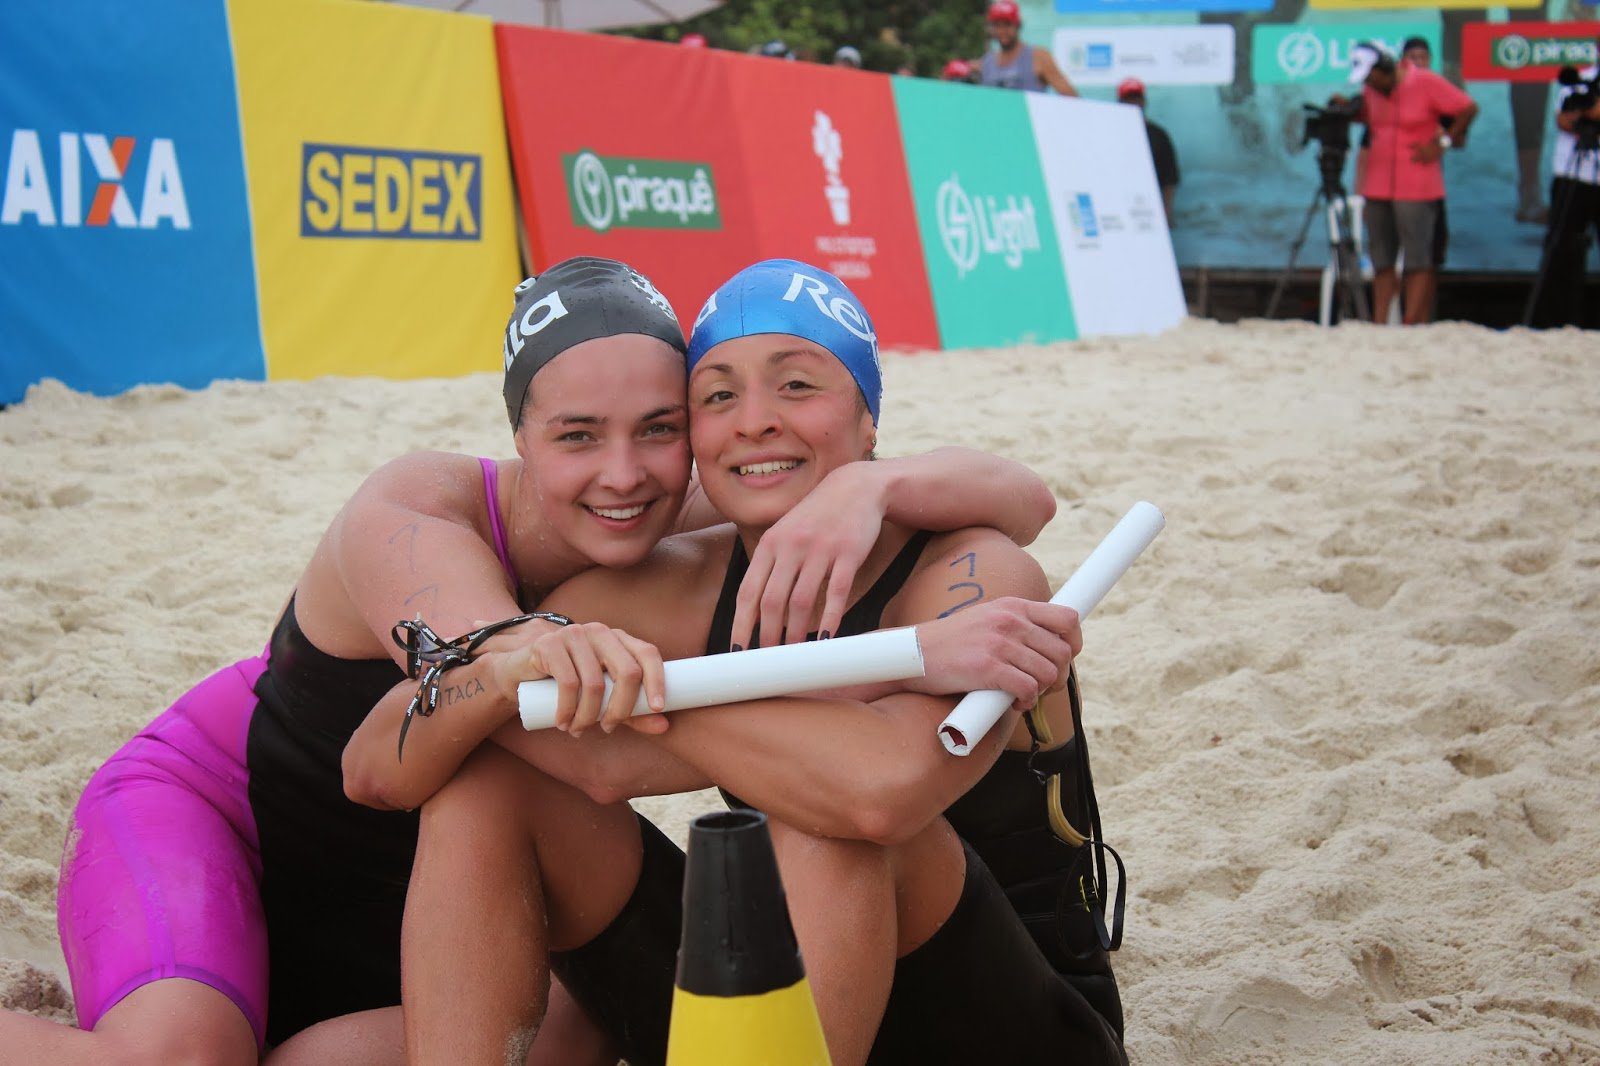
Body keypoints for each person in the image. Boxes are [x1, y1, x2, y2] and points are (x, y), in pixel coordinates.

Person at [1, 257, 1073, 1065]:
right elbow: (410, 744)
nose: (624, 474)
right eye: (576, 435)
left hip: (422, 893)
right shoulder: (423, 516)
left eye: (658, 427)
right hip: (242, 813)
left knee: (808, 817)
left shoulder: (717, 506)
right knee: (178, 1058)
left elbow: (1021, 500)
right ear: (519, 435)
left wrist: (873, 486)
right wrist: (565, 677)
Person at [385, 260, 1128, 1066]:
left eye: (797, 386)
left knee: (820, 829)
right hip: (778, 1013)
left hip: (1007, 1029)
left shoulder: (972, 573)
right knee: (489, 784)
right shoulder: (672, 590)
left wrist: (639, 703)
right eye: (717, 397)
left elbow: (878, 794)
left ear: (869, 420)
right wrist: (505, 670)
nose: (754, 422)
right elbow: (376, 760)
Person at [1343, 41, 1478, 325]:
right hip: (1378, 183)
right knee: (1381, 258)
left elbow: (1467, 107)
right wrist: (1346, 109)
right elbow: (1371, 119)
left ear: (1386, 67)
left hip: (1417, 183)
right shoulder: (1371, 91)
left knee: (1418, 258)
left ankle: (1411, 321)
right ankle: (1380, 321)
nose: (1369, 83)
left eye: (1372, 76)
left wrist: (1442, 143)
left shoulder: (1426, 82)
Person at [1531, 48, 1600, 327]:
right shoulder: (1579, 82)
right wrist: (1585, 113)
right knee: (1562, 248)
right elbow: (1562, 120)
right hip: (1572, 175)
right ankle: (1555, 322)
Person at [976, 0, 1078, 97]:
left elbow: (1071, 98)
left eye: (1007, 25)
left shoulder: (1038, 57)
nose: (1002, 31)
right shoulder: (987, 62)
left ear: (1018, 25)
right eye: (997, 26)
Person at [1118, 77, 1180, 223]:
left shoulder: (1158, 135)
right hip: (1119, 209)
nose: (1133, 103)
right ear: (1120, 101)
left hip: (1151, 210)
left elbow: (1170, 179)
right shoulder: (1109, 134)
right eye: (1129, 99)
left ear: (1144, 101)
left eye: (1137, 98)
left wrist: (1167, 211)